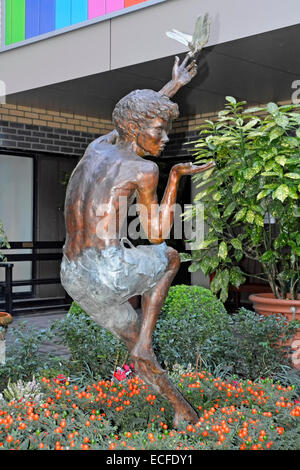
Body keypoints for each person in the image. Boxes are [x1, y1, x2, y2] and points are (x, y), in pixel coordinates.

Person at [61, 55, 215, 426]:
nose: (164, 139)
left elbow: (131, 116)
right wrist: (176, 175)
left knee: (136, 349)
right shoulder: (145, 169)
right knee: (171, 256)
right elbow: (158, 232)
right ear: (135, 128)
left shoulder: (98, 145)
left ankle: (182, 412)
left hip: (72, 275)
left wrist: (174, 86)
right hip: (108, 272)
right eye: (160, 131)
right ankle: (146, 338)